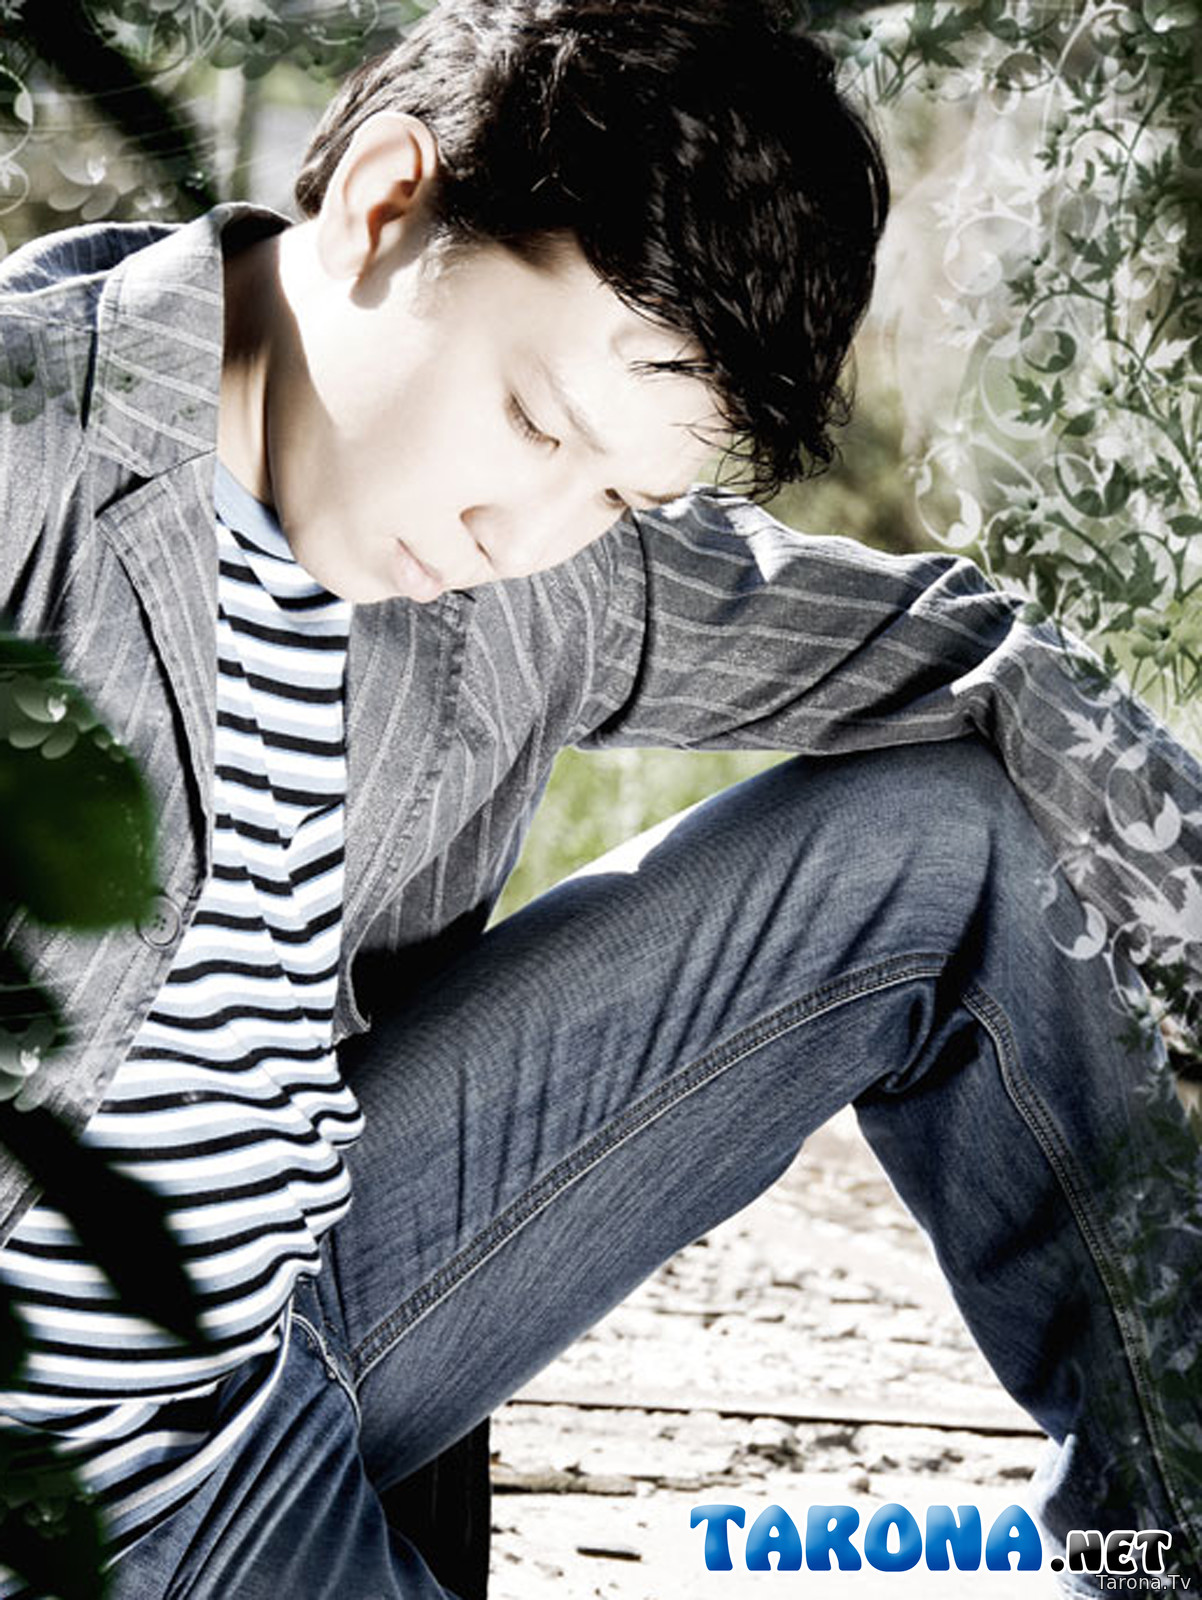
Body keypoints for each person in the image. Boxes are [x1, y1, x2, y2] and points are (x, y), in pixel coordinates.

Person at [0, 1, 1199, 1594]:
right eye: (532, 420)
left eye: (623, 493)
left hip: (281, 1355)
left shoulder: (542, 567)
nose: (526, 528)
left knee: (942, 845)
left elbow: (978, 658)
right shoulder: (31, 455)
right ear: (381, 203)